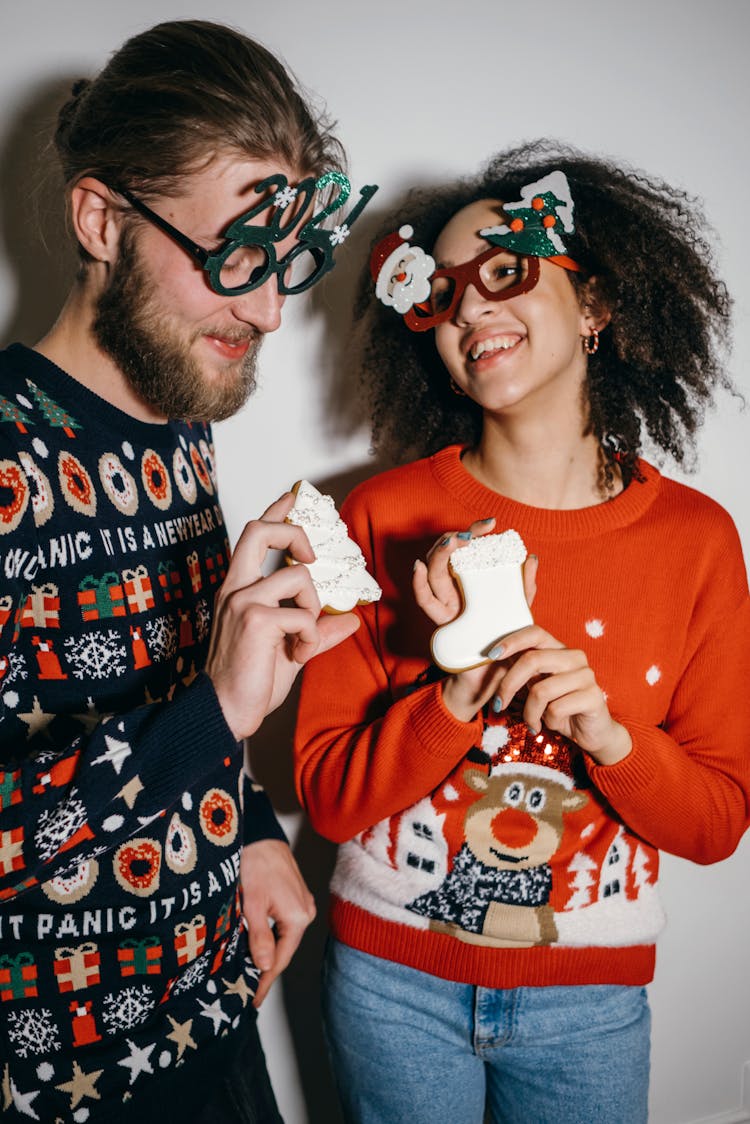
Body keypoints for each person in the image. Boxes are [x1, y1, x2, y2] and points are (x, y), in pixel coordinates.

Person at [294, 139, 750, 1124]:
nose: (469, 308)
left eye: (506, 271)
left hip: (590, 1003)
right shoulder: (378, 514)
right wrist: (456, 686)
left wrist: (611, 738)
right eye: (441, 293)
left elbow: (717, 821)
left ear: (595, 306)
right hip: (389, 984)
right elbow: (327, 797)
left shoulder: (698, 541)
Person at [0, 19, 377, 1123]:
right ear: (101, 218)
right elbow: (193, 710)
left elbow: (164, 684)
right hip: (66, 1081)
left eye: (285, 264)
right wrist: (218, 711)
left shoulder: (176, 423)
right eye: (234, 257)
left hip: (212, 1011)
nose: (265, 311)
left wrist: (252, 828)